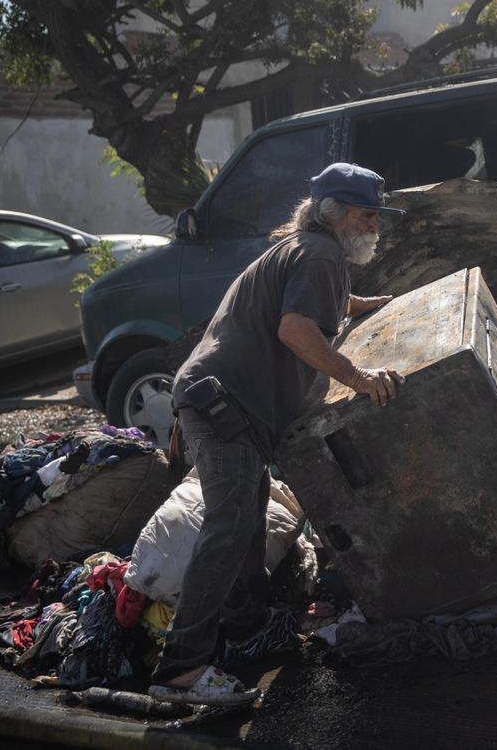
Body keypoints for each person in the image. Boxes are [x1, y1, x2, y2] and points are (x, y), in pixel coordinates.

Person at [148, 163, 406, 705]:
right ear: (334, 213)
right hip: (224, 406)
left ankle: (247, 628)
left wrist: (361, 305)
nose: (375, 226)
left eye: (377, 216)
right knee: (229, 526)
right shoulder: (320, 254)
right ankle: (181, 669)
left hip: (220, 402)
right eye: (366, 215)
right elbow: (295, 328)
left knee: (246, 519)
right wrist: (359, 378)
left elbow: (312, 303)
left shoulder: (305, 250)